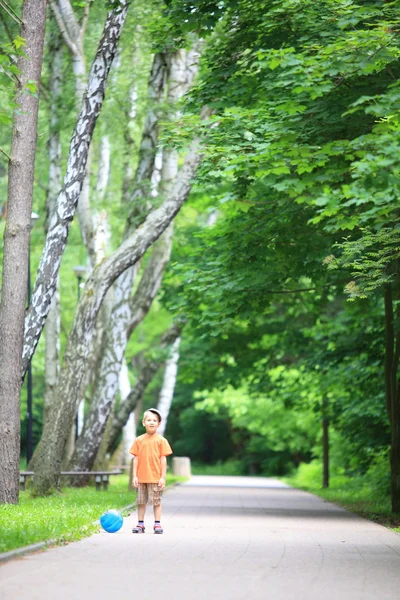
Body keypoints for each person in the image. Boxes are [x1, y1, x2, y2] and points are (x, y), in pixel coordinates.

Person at [129, 408, 173, 534]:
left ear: (159, 424)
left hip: (155, 477)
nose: (151, 422)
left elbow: (163, 460)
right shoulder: (139, 440)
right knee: (141, 501)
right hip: (141, 477)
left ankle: (157, 524)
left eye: (154, 420)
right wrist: (134, 476)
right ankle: (140, 524)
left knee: (156, 502)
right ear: (144, 422)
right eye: (149, 420)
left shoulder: (161, 440)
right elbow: (135, 459)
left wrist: (163, 477)